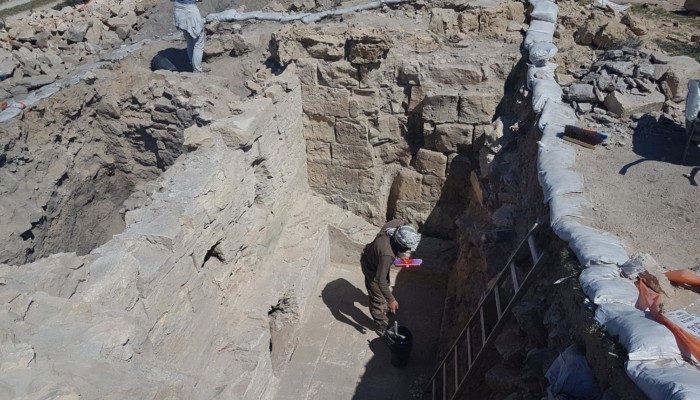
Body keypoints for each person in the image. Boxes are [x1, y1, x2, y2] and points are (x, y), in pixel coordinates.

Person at [360, 219, 421, 336]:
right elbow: (379, 280)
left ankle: (385, 306)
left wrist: (401, 255)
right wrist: (391, 300)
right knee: (377, 296)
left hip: (377, 258)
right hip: (371, 267)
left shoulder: (397, 225)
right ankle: (381, 324)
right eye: (406, 248)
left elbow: (393, 242)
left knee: (385, 286)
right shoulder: (386, 256)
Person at [172, 0, 207, 73]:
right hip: (190, 13)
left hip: (179, 12)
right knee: (198, 43)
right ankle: (197, 70)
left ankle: (193, 66)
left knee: (190, 41)